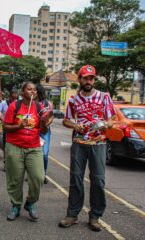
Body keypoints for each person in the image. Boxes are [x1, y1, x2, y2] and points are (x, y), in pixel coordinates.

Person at [58, 65, 115, 232]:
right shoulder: (73, 100)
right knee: (75, 178)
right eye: (85, 78)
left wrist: (104, 124)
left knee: (98, 180)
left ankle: (95, 216)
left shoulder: (104, 97)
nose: (88, 81)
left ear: (94, 80)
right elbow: (66, 120)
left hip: (98, 143)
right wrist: (76, 125)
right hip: (79, 144)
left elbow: (111, 119)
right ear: (80, 79)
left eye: (91, 78)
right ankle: (72, 215)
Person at [3, 81, 49, 222]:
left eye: (34, 90)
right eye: (29, 89)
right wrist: (19, 125)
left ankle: (30, 202)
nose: (32, 92)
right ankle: (16, 205)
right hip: (14, 146)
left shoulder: (39, 107)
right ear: (23, 92)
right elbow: (5, 127)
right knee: (15, 179)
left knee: (38, 177)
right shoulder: (14, 106)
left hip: (34, 147)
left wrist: (44, 123)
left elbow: (43, 131)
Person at [0, 90, 18, 171]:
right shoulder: (4, 103)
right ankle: (6, 163)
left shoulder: (18, 104)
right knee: (6, 146)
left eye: (16, 98)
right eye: (13, 98)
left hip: (16, 128)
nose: (15, 100)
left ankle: (15, 164)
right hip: (6, 128)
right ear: (10, 97)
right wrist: (3, 120)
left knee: (15, 146)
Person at [35, 84, 54, 184]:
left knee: (44, 154)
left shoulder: (47, 103)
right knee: (32, 152)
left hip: (44, 131)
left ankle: (43, 174)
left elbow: (51, 117)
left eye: (34, 90)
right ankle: (32, 174)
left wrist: (46, 125)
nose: (32, 92)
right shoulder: (30, 103)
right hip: (32, 130)